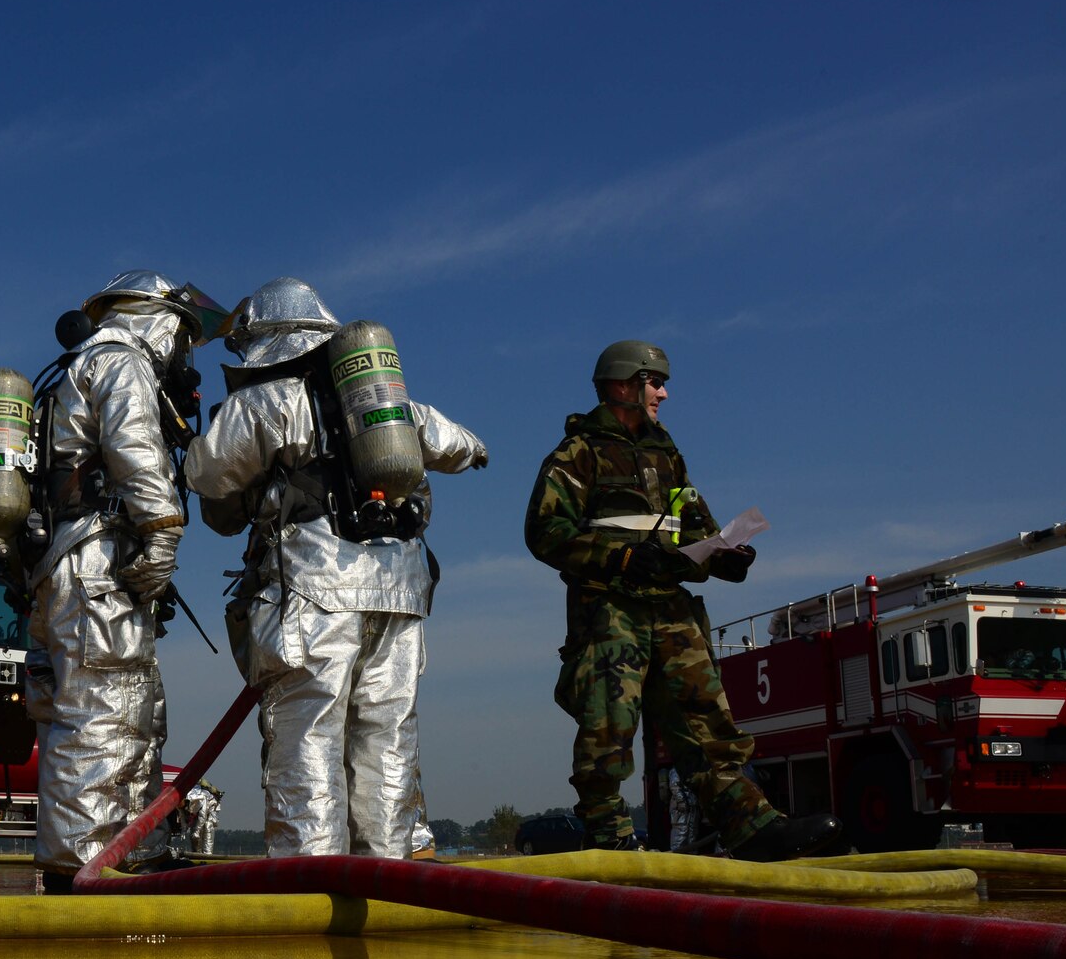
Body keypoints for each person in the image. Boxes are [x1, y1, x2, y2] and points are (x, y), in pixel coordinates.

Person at [185, 278, 486, 858]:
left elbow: (209, 476)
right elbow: (465, 447)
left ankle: (311, 883)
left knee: (307, 737)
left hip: (314, 591)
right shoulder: (389, 406)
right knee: (387, 738)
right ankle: (388, 878)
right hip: (399, 591)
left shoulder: (269, 401)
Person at [524, 339, 840, 861]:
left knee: (705, 720)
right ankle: (609, 838)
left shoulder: (665, 453)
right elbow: (544, 533)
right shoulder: (576, 454)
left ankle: (750, 825)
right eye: (656, 382)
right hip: (610, 610)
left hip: (670, 607)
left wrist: (724, 554)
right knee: (610, 724)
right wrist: (621, 559)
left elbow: (695, 524)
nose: (664, 394)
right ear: (624, 384)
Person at [26, 270, 200, 877]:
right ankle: (90, 864)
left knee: (106, 713)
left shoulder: (75, 369)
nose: (185, 355)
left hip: (61, 568)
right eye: (184, 337)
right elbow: (134, 446)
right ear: (159, 320)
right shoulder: (121, 362)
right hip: (97, 561)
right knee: (105, 710)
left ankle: (123, 852)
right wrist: (161, 529)